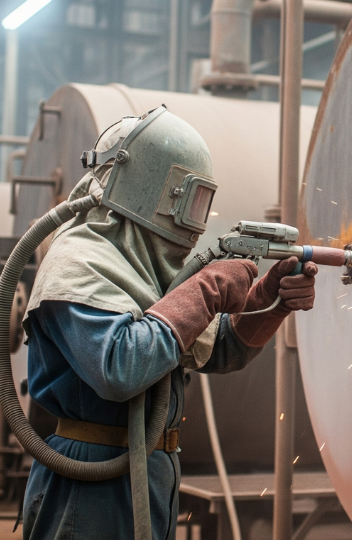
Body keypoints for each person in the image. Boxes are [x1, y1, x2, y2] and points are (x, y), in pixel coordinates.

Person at [19, 106, 316, 539]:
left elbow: (222, 350)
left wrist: (270, 302)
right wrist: (206, 290)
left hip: (151, 473)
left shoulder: (143, 270)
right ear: (150, 191)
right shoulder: (77, 263)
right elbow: (121, 367)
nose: (194, 223)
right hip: (91, 482)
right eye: (190, 202)